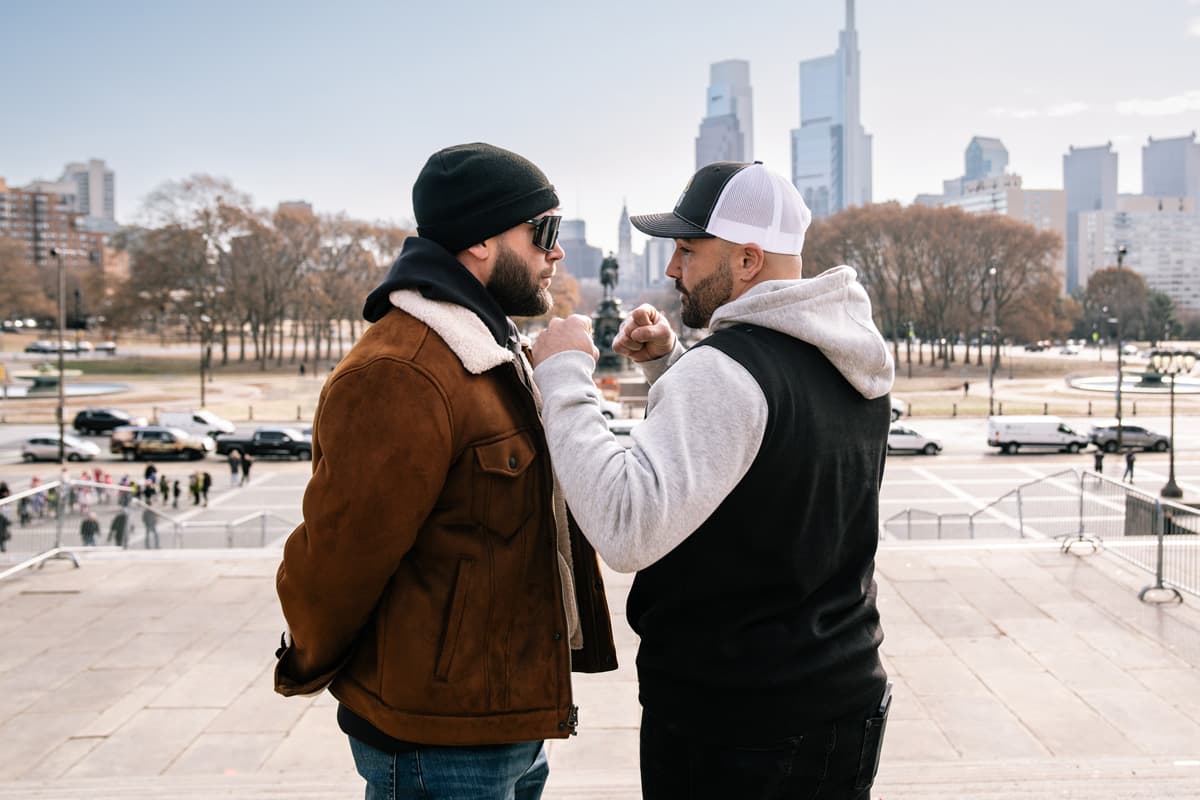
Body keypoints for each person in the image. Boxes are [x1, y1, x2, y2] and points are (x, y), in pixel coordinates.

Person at [530, 161, 894, 800]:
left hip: (737, 727)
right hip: (842, 701)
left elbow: (625, 525)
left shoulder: (727, 373)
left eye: (688, 250)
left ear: (748, 259)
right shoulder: (849, 355)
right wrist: (670, 365)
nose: (673, 268)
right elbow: (767, 471)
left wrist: (563, 375)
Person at [274, 142, 617, 799]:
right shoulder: (402, 372)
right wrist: (309, 664)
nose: (557, 251)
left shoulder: (485, 348)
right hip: (436, 741)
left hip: (503, 719)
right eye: (544, 231)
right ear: (482, 242)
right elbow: (338, 560)